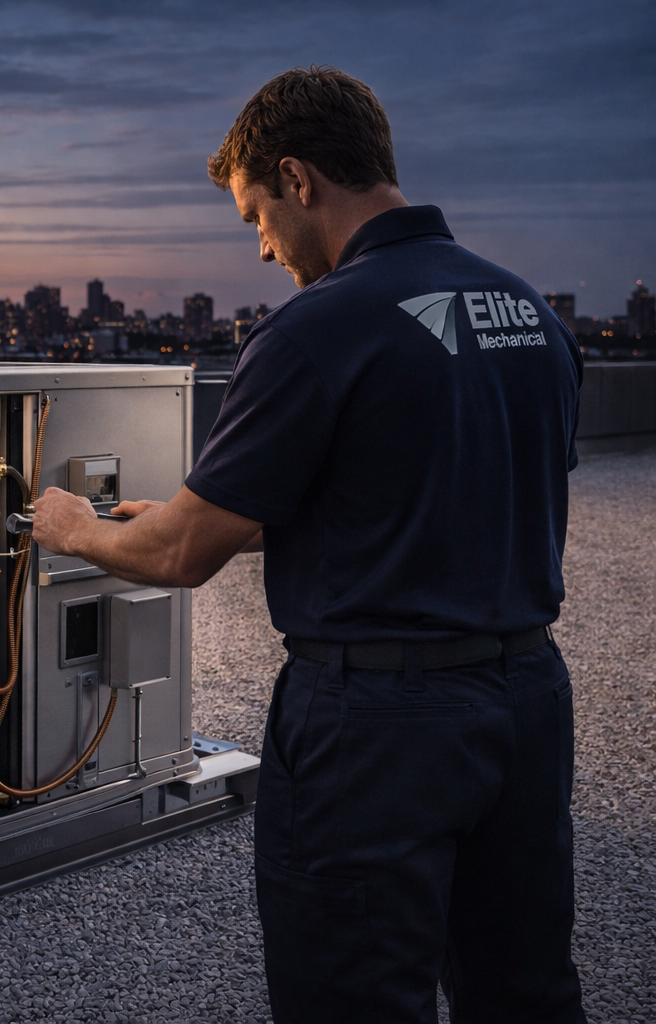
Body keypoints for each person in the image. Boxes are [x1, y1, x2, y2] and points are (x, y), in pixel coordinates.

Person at [31, 66, 585, 1022]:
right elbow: (430, 501)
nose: (261, 247)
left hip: (375, 727)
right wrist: (211, 508)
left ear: (297, 180)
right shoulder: (530, 313)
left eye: (254, 213)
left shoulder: (318, 329)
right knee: (524, 990)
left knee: (355, 995)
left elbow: (177, 560)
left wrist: (76, 530)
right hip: (527, 703)